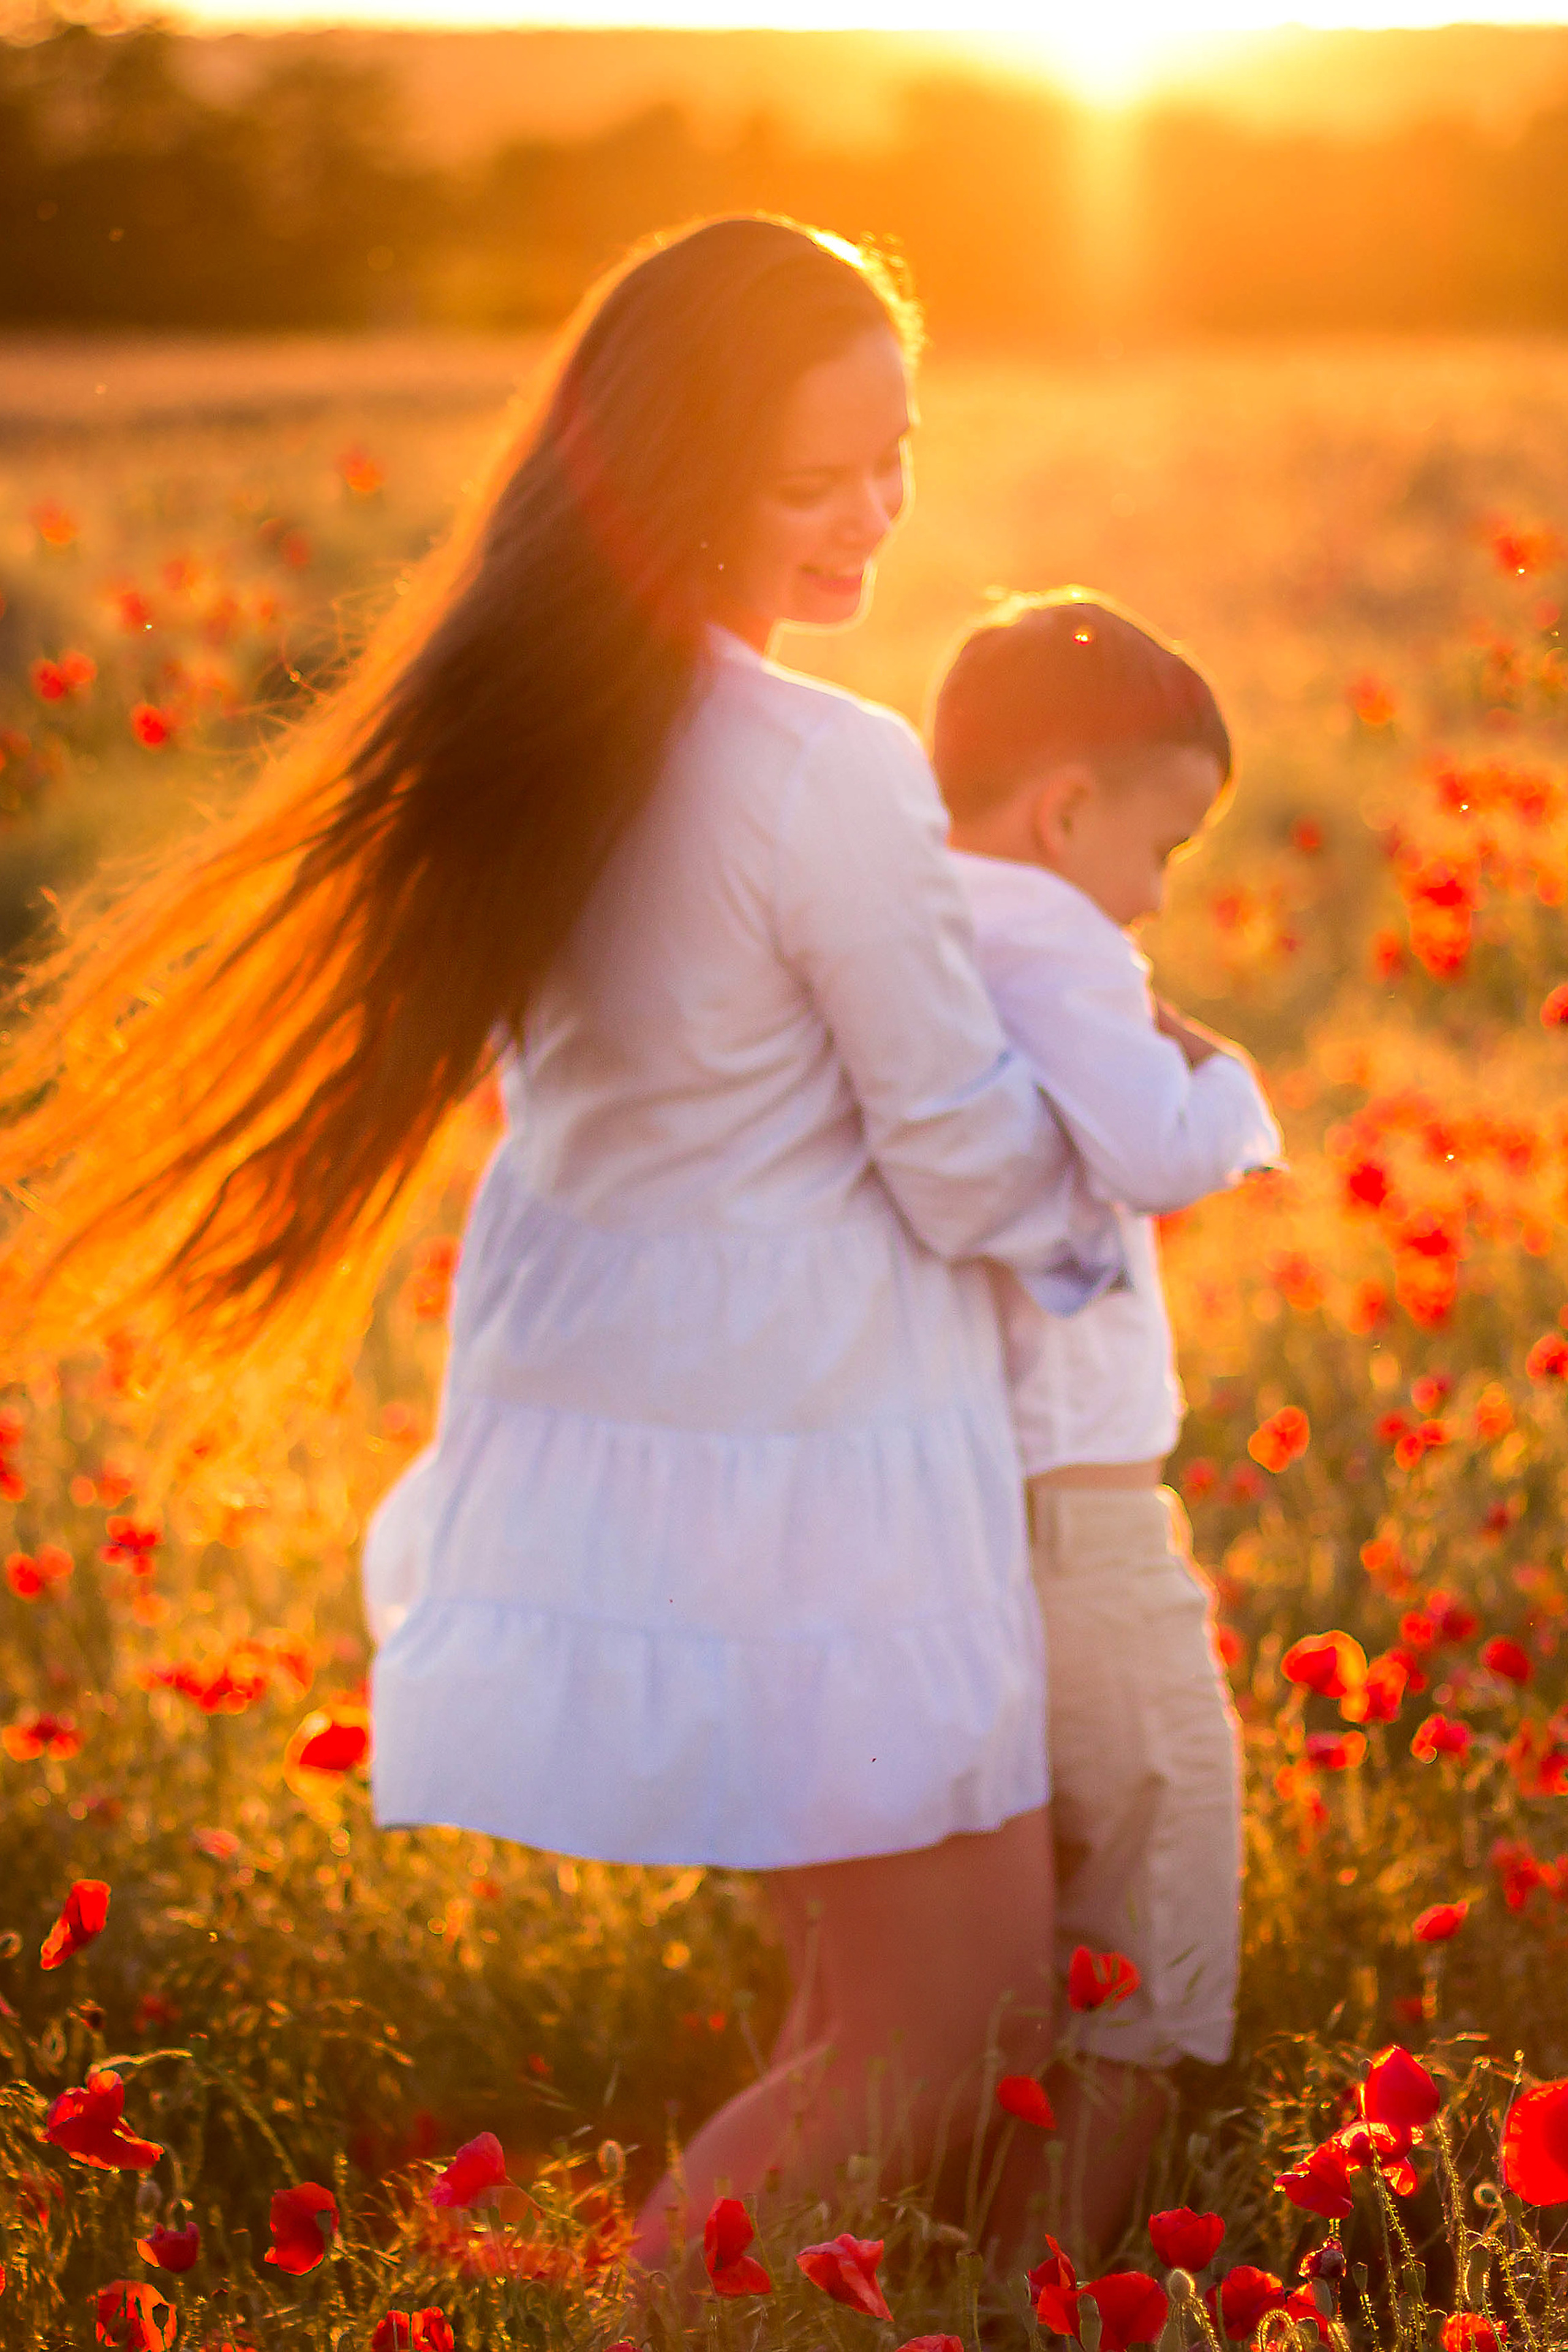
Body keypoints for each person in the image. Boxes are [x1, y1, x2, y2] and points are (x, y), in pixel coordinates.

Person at [0, 221, 1120, 2263]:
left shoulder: (563, 723)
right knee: (947, 2035)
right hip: (829, 1464)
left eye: (897, 453)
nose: (873, 513)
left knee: (863, 2010)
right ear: (688, 475)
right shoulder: (822, 766)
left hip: (670, 1446)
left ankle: (790, 2312)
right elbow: (965, 1162)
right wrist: (1151, 1134)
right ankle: (663, 2326)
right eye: (813, 480)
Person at [929, 589, 1282, 2260]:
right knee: (1155, 1926)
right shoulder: (1059, 938)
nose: (1156, 897)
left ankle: (939, 2260)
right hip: (1082, 1528)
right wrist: (1234, 1090)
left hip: (950, 1519)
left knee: (1000, 1948)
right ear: (1068, 808)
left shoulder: (916, 929)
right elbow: (1156, 1153)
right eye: (1166, 847)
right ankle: (1037, 2300)